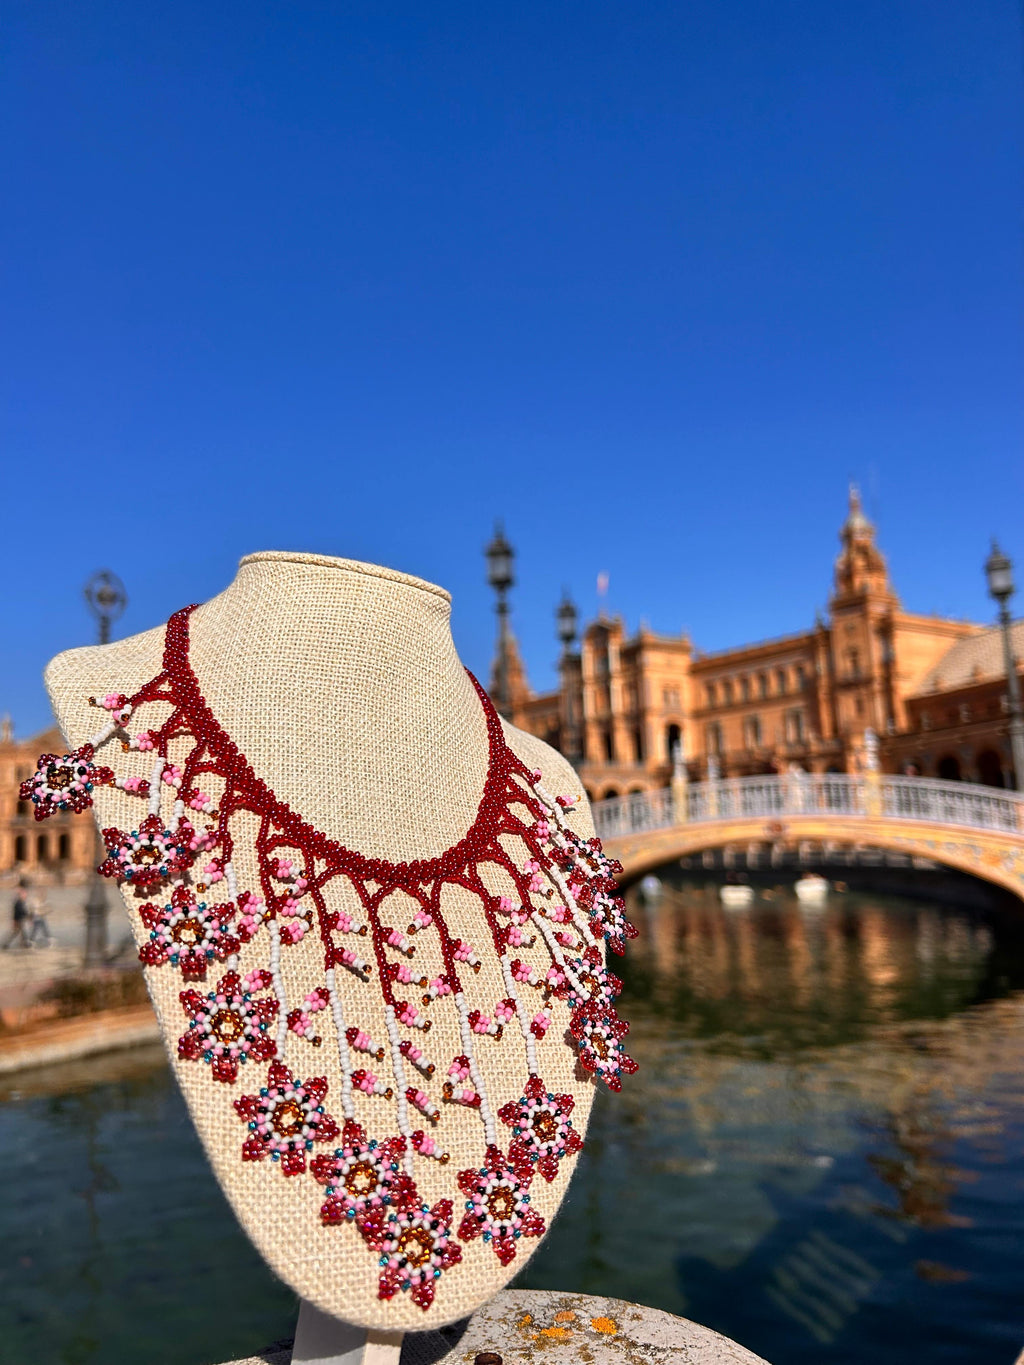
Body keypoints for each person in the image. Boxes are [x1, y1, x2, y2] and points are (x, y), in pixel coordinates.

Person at [3, 878, 32, 950]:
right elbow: (18, 906)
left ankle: (8, 944)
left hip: (18, 914)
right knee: (19, 930)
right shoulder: (21, 893)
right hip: (18, 915)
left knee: (18, 931)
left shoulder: (19, 892)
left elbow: (18, 906)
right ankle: (24, 944)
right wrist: (26, 915)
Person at [28, 884, 53, 948]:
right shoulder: (35, 900)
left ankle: (32, 941)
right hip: (37, 917)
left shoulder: (43, 900)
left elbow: (49, 909)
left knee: (42, 929)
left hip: (40, 916)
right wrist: (30, 917)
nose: (39, 892)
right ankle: (31, 941)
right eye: (38, 891)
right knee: (37, 929)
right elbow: (31, 909)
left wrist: (43, 911)